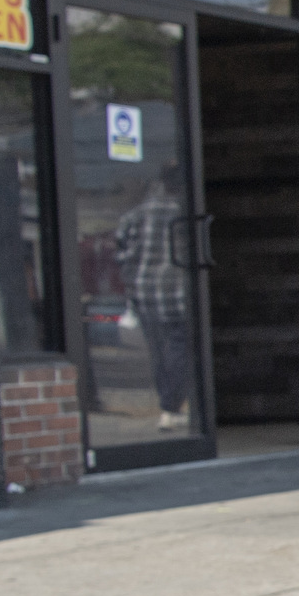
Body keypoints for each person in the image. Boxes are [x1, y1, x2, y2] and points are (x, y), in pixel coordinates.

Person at [112, 167, 197, 432]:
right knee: (179, 350)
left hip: (144, 293)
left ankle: (167, 407)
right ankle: (171, 406)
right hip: (177, 293)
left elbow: (121, 252)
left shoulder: (136, 215)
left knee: (158, 352)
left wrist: (133, 278)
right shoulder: (184, 214)